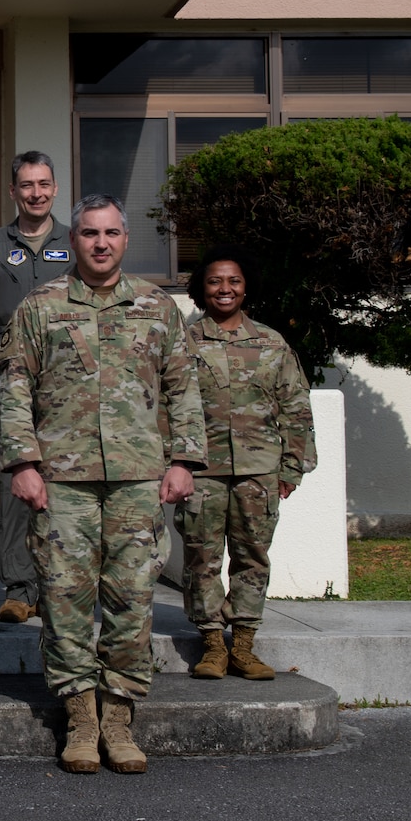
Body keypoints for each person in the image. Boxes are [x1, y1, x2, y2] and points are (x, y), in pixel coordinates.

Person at [0, 194, 205, 775]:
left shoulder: (158, 307)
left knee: (133, 599)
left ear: (125, 240)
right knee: (63, 597)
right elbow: (12, 390)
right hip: (63, 480)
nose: (101, 243)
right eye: (89, 234)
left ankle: (119, 716)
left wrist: (184, 460)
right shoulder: (41, 306)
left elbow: (184, 387)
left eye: (111, 233)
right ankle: (80, 716)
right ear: (74, 239)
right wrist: (22, 465)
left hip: (138, 478)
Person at [178, 247, 317, 681]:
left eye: (233, 281)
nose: (225, 289)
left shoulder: (272, 343)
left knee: (252, 557)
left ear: (246, 286)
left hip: (259, 469)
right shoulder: (182, 341)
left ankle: (243, 645)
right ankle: (212, 645)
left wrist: (293, 467)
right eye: (215, 281)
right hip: (201, 469)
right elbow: (165, 404)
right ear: (202, 288)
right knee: (202, 558)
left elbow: (295, 407)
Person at [0, 152, 72, 624]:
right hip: (5, 375)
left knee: (66, 479)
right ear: (13, 192)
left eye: (44, 184)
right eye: (26, 185)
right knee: (13, 479)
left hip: (67, 377)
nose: (36, 193)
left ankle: (59, 585)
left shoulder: (75, 241)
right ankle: (19, 587)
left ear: (55, 188)